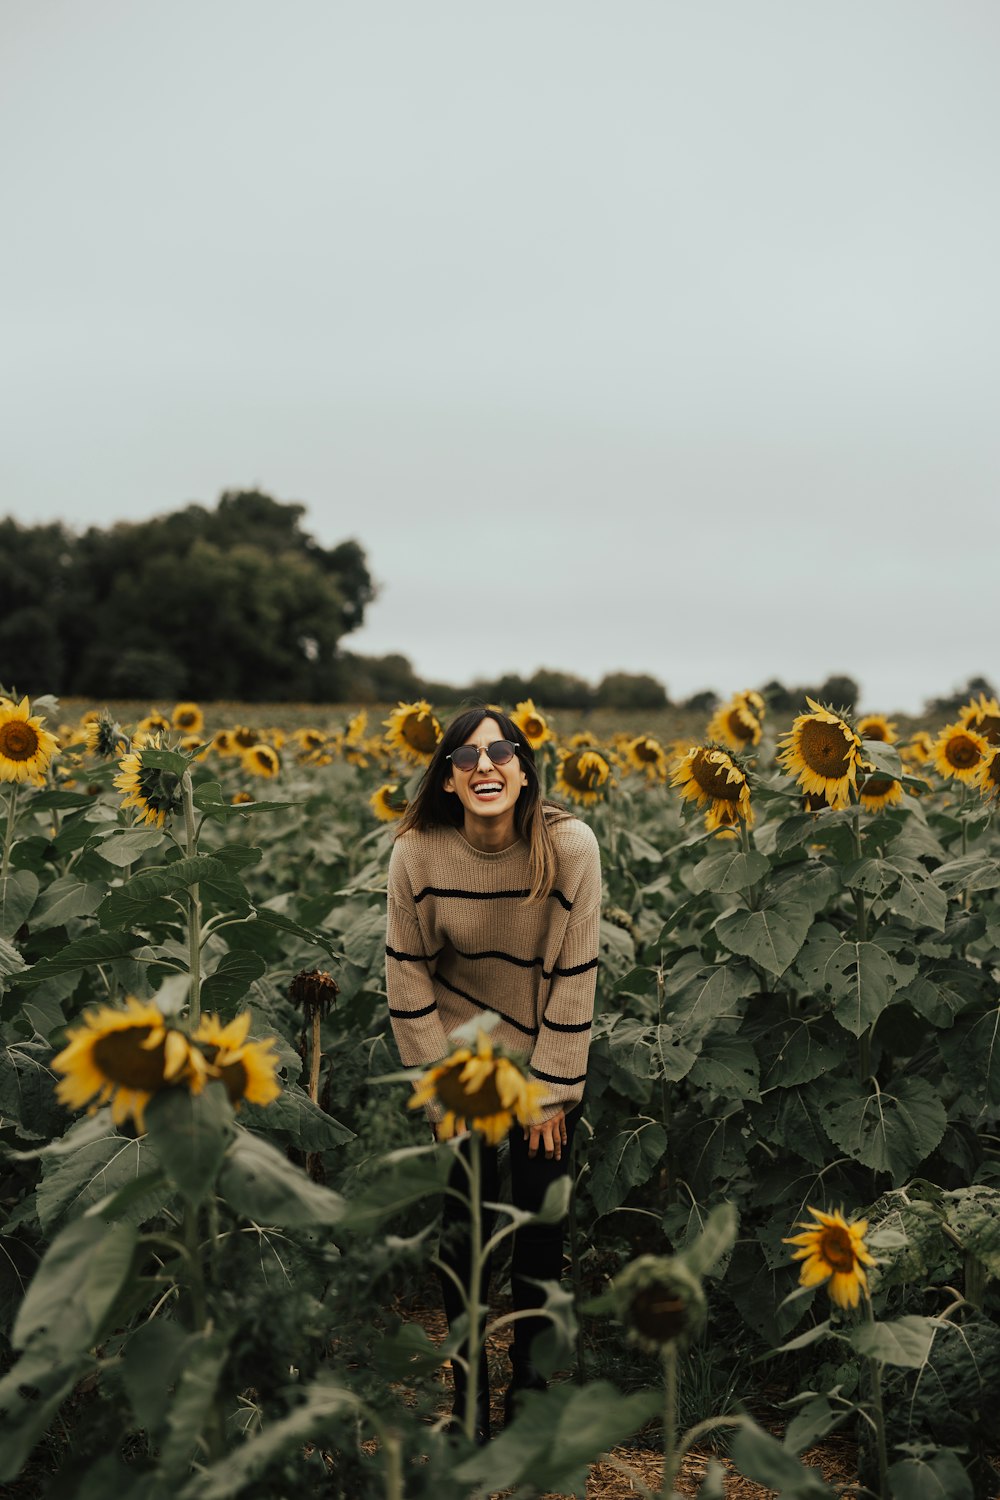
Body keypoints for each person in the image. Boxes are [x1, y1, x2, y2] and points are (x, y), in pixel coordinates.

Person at [385, 705, 602, 1442]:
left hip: (544, 1047)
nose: (486, 766)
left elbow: (576, 971)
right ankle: (470, 1384)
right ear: (446, 779)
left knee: (542, 1220)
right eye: (467, 757)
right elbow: (406, 972)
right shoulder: (416, 853)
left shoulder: (569, 846)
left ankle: (533, 1385)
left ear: (524, 769)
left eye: (502, 752)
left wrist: (549, 1095)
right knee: (466, 1222)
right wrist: (437, 1081)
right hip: (460, 1051)